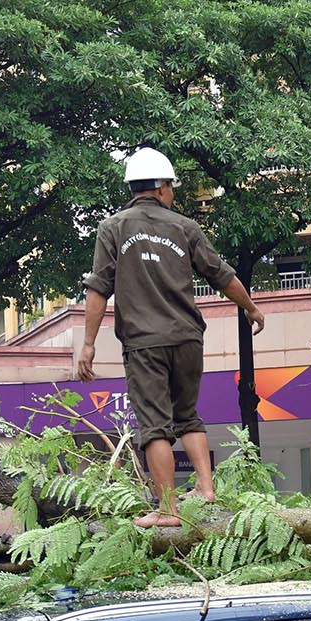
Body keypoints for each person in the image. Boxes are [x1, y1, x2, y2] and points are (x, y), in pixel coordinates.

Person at [77, 147, 268, 527]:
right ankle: (205, 487)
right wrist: (251, 308)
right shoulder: (185, 228)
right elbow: (222, 274)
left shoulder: (112, 228)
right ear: (163, 187)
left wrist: (88, 343)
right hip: (187, 338)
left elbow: (98, 289)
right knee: (187, 415)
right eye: (172, 187)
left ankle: (167, 510)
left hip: (144, 342)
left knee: (154, 425)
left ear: (134, 187)